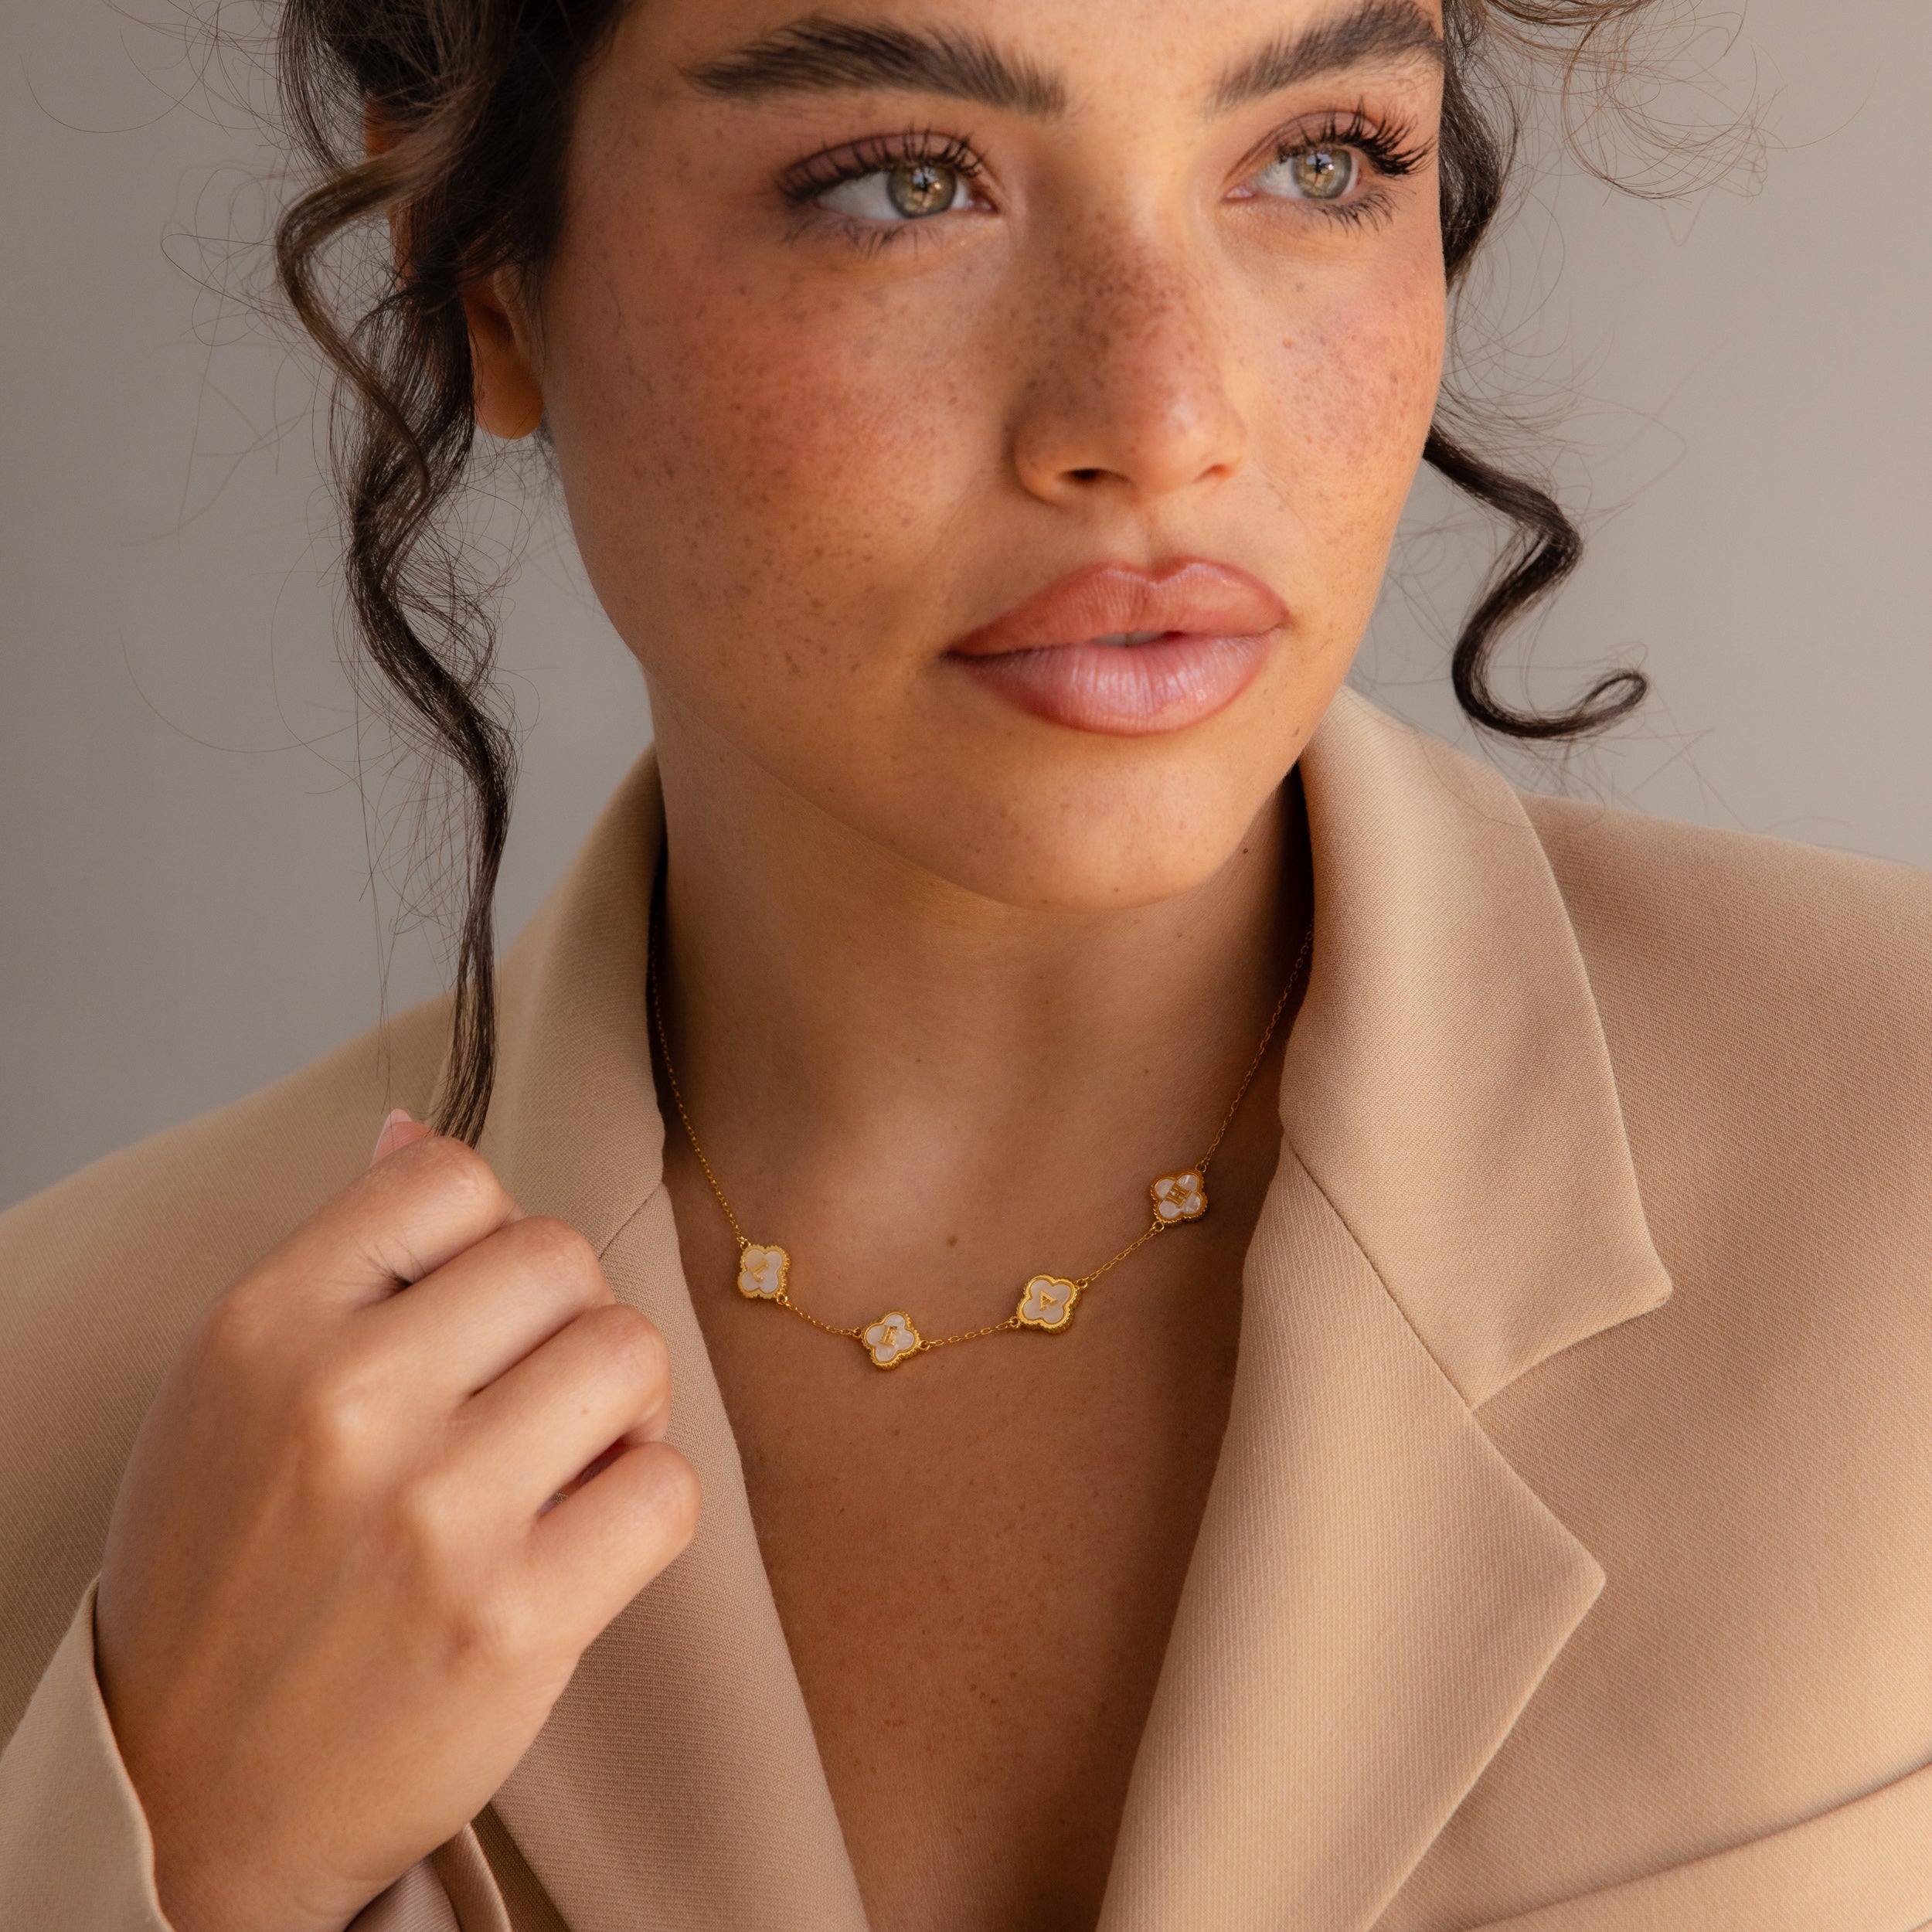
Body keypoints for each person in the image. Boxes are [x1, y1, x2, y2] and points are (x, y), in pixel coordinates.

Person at [2, 0, 1929, 1927]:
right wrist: (183, 1856)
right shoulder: (65, 1397)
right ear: (484, 287)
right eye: (904, 183)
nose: (1161, 419)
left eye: (1318, 158)